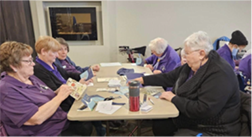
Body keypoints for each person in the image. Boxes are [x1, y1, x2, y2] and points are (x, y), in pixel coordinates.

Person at [135, 31, 241, 136]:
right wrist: (143, 80)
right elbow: (169, 77)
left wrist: (174, 98)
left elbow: (203, 110)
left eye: (187, 53)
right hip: (192, 117)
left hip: (214, 127)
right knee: (160, 125)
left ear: (201, 53)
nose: (184, 57)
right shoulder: (193, 65)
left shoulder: (219, 73)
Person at [0, 41, 92, 136]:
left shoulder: (30, 77)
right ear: (13, 66)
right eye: (28, 61)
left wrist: (57, 91)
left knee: (88, 123)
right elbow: (35, 119)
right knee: (85, 126)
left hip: (60, 121)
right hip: (46, 132)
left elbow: (46, 96)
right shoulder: (6, 90)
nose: (33, 64)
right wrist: (59, 97)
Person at [33, 36, 93, 136]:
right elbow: (54, 92)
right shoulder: (38, 69)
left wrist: (85, 76)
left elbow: (67, 74)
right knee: (86, 124)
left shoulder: (52, 64)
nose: (57, 55)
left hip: (70, 96)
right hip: (64, 105)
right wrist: (78, 85)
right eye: (54, 52)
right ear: (43, 51)